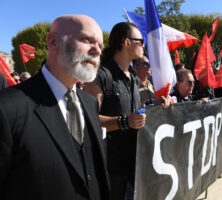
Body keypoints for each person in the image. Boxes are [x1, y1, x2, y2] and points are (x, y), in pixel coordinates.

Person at [0, 15, 110, 200]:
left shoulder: (90, 103)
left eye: (100, 45)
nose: (97, 51)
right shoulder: (7, 108)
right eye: (87, 40)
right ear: (53, 42)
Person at [84, 22, 146, 200]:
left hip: (135, 163)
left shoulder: (134, 76)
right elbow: (90, 119)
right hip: (111, 169)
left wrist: (156, 104)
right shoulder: (101, 75)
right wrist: (125, 121)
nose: (143, 45)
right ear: (127, 42)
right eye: (140, 41)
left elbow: (134, 113)